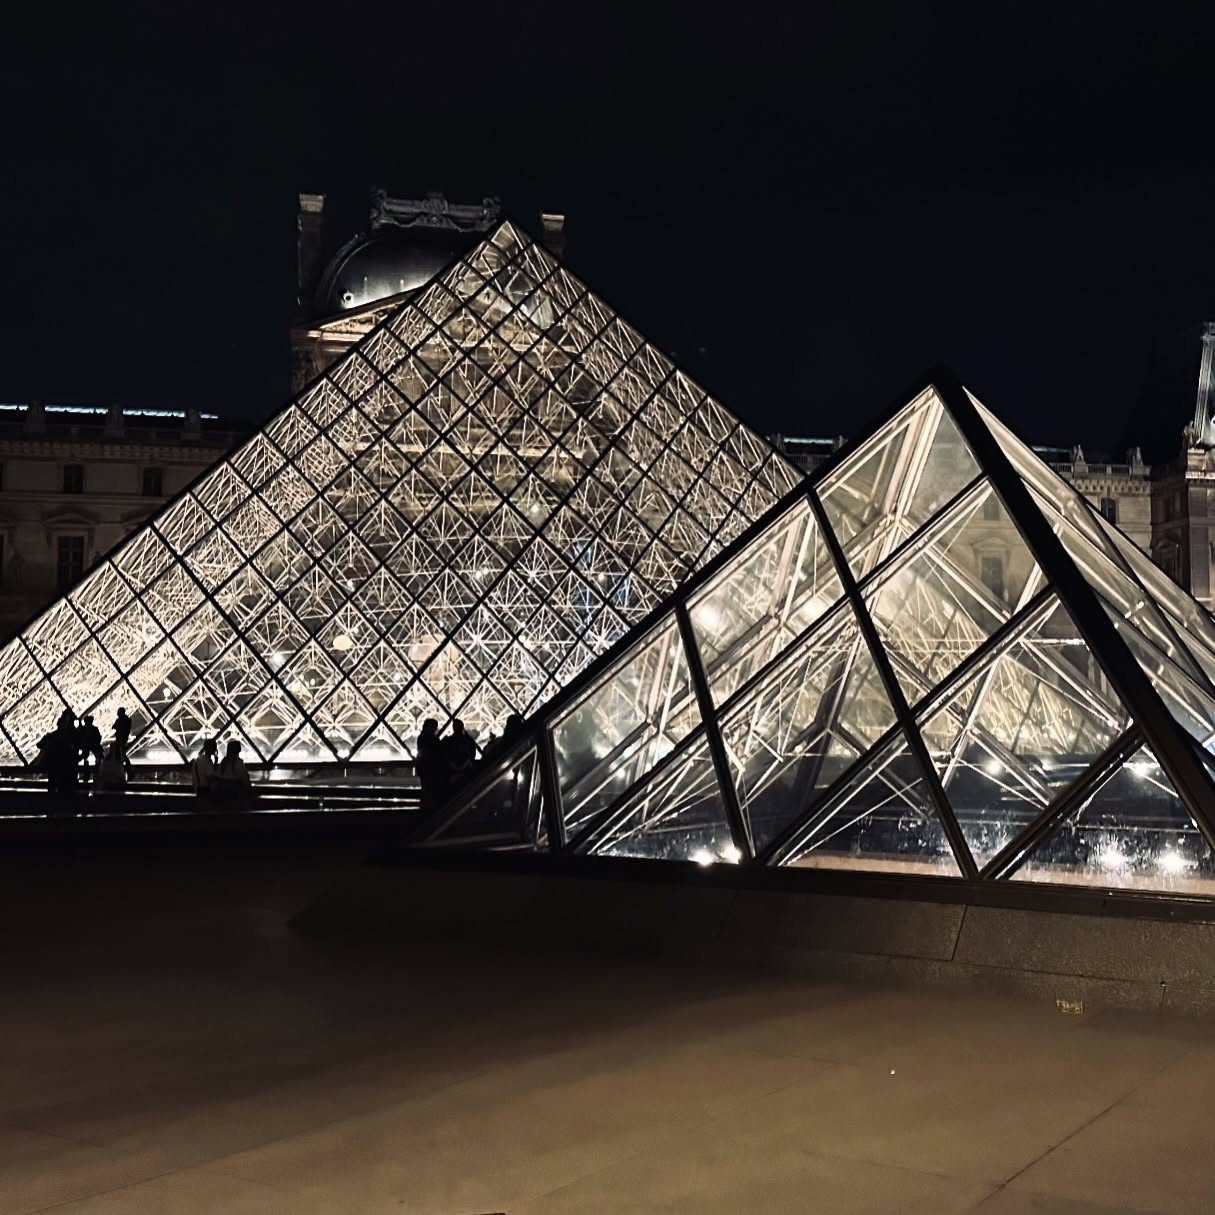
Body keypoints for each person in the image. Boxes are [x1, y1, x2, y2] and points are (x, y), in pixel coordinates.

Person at [39, 709, 80, 801]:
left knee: (55, 790)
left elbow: (40, 745)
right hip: (67, 769)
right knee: (66, 793)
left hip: (57, 768)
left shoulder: (55, 737)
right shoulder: (73, 736)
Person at [415, 718, 448, 813]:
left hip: (425, 769)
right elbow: (434, 751)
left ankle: (426, 810)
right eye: (434, 727)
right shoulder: (430, 738)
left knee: (427, 791)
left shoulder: (422, 737)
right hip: (431, 770)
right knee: (430, 791)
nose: (436, 729)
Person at [442, 718, 478, 788]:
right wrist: (465, 765)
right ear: (462, 727)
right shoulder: (469, 741)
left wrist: (453, 766)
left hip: (452, 770)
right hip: (466, 770)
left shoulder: (447, 741)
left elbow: (445, 756)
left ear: (453, 727)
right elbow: (472, 754)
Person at [77, 714, 102, 786]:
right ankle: (96, 771)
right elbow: (98, 737)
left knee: (85, 758)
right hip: (92, 745)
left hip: (86, 745)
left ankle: (86, 773)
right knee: (96, 758)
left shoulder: (83, 729)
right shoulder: (94, 729)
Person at [112, 707, 132, 772]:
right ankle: (126, 764)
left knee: (120, 751)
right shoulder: (128, 719)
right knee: (121, 751)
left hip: (120, 737)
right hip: (124, 737)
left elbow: (114, 726)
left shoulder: (119, 720)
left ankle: (123, 764)